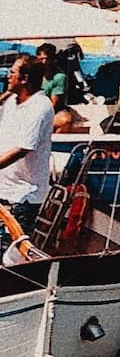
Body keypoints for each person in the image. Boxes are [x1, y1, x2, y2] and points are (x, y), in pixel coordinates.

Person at [0, 56, 55, 235]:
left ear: (24, 79)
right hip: (4, 189)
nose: (8, 76)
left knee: (10, 254)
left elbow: (23, 148)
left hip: (22, 196)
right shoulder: (11, 102)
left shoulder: (40, 106)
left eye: (12, 73)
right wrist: (8, 94)